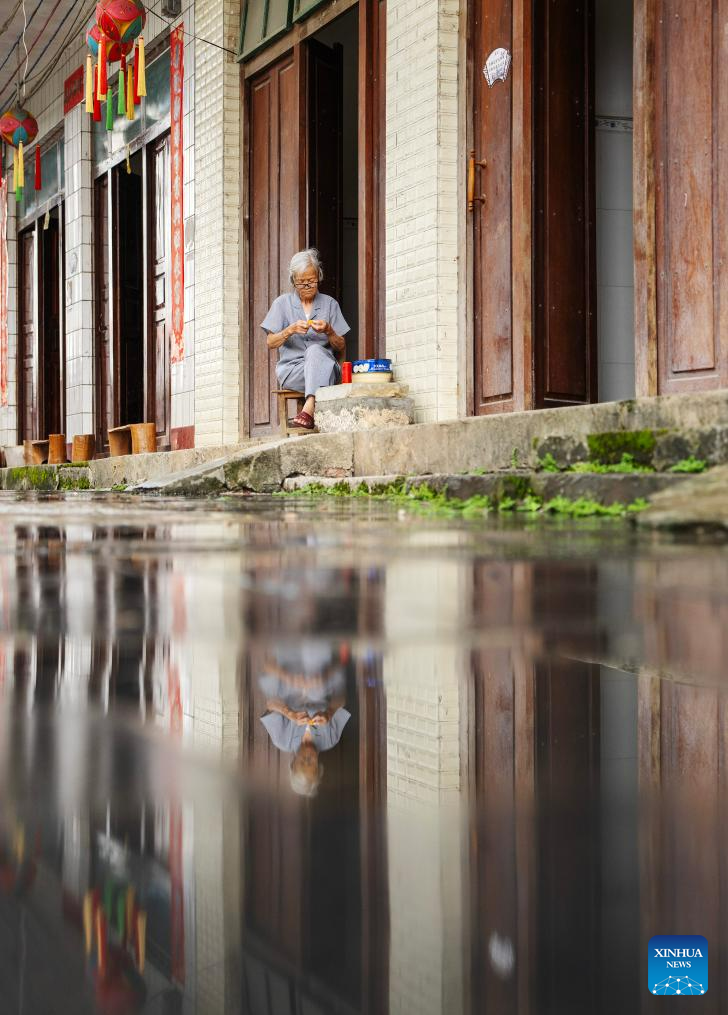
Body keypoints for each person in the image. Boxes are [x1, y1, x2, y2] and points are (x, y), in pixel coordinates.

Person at [261, 248, 350, 430]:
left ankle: (308, 407)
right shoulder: (282, 303)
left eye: (312, 281)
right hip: (294, 372)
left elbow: (341, 345)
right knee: (314, 351)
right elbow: (270, 342)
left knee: (316, 350)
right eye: (302, 283)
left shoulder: (330, 304)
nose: (308, 287)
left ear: (319, 276)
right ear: (293, 281)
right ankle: (312, 407)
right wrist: (290, 330)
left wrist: (330, 331)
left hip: (326, 369)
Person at [258, 642, 351, 797]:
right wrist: (329, 712)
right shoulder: (330, 739)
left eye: (303, 763)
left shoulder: (282, 740)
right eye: (312, 764)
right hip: (320, 677)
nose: (309, 758)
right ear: (319, 765)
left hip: (289, 680)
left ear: (293, 763)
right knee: (316, 689)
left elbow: (270, 703)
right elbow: (341, 700)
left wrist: (289, 713)